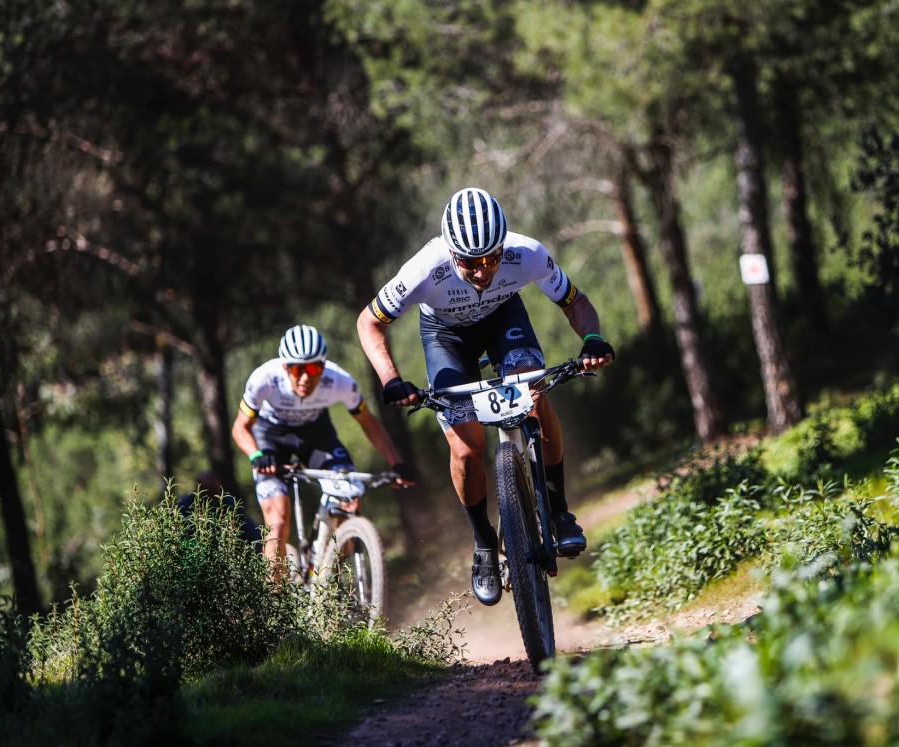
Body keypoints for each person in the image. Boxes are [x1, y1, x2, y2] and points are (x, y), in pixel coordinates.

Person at [356, 187, 615, 606]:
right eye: (469, 263)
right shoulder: (425, 268)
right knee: (465, 448)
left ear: (503, 247)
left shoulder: (525, 253)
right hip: (445, 337)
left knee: (534, 392)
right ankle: (483, 545)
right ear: (450, 252)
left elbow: (574, 301)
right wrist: (391, 380)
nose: (482, 272)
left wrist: (593, 339)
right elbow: (369, 322)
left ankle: (559, 509)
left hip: (503, 320)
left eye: (491, 259)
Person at [231, 324, 415, 581]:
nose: (306, 377)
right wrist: (256, 455)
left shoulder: (339, 381)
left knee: (349, 499)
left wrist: (397, 463)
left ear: (323, 366)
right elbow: (240, 429)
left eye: (314, 368)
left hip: (316, 435)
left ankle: (325, 583)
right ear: (286, 367)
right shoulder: (265, 379)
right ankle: (275, 598)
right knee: (277, 520)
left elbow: (368, 423)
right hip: (271, 439)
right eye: (298, 369)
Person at [176, 469, 263, 548]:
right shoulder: (186, 505)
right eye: (207, 493)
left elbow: (251, 532)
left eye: (214, 493)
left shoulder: (228, 504)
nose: (211, 499)